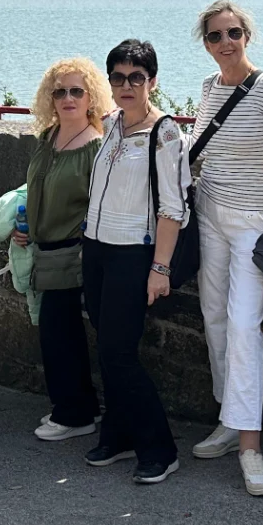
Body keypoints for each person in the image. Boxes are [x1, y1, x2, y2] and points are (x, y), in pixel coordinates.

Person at [185, 0, 263, 498]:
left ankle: (251, 447)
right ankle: (229, 417)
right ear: (206, 44)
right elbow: (198, 152)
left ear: (247, 37)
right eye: (214, 36)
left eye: (232, 33)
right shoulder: (210, 89)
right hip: (210, 214)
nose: (225, 43)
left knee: (244, 327)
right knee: (212, 316)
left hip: (255, 223)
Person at [81, 40, 185, 484]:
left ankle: (159, 446)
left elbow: (172, 207)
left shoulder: (164, 132)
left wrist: (159, 268)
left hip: (134, 251)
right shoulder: (109, 125)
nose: (126, 85)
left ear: (152, 81)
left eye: (136, 77)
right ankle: (119, 433)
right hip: (97, 246)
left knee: (119, 352)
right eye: (119, 78)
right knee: (107, 345)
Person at [16, 57, 112, 443]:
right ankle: (76, 406)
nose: (68, 98)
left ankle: (75, 414)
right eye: (60, 91)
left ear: (91, 97)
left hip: (73, 254)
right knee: (56, 333)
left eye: (77, 91)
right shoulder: (48, 139)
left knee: (61, 335)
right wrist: (24, 227)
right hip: (43, 250)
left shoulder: (96, 147)